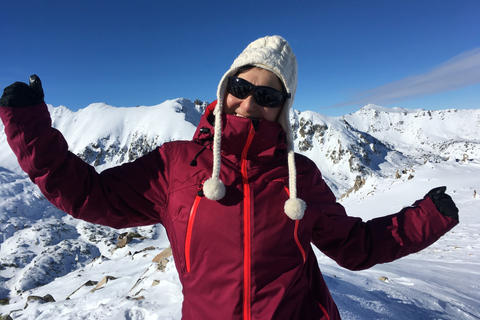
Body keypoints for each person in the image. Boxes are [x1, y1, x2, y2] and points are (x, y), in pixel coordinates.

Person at [0, 35, 459, 320]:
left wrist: (427, 217)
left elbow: (356, 247)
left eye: (267, 94)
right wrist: (30, 128)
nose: (249, 103)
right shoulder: (176, 166)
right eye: (241, 87)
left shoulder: (300, 177)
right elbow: (90, 195)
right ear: (225, 89)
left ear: (283, 108)